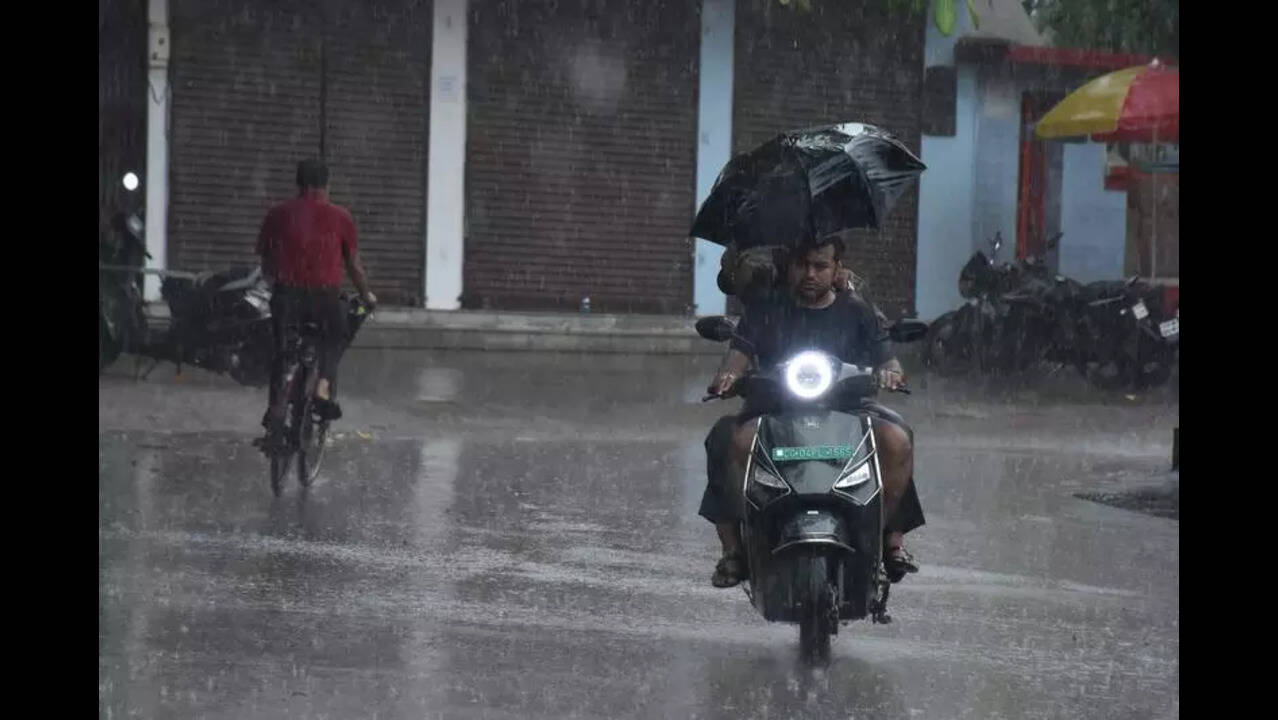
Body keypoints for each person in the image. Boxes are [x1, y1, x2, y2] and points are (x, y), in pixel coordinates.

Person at [700, 237, 924, 588]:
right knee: (726, 438)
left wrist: (892, 374)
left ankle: (890, 540)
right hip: (773, 405)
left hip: (849, 406)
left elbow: (888, 359)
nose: (810, 274)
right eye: (802, 265)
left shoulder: (857, 310)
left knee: (898, 438)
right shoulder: (765, 308)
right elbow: (737, 356)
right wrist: (728, 377)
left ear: (837, 270)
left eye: (821, 266)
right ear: (788, 267)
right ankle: (734, 550)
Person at [256, 159, 376, 441]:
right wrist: (366, 294)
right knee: (334, 338)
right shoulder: (341, 217)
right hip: (325, 298)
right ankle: (322, 387)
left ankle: (276, 409)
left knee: (283, 352)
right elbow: (353, 265)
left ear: (299, 184)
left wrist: (279, 281)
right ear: (326, 185)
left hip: (287, 297)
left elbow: (266, 259)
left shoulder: (278, 214)